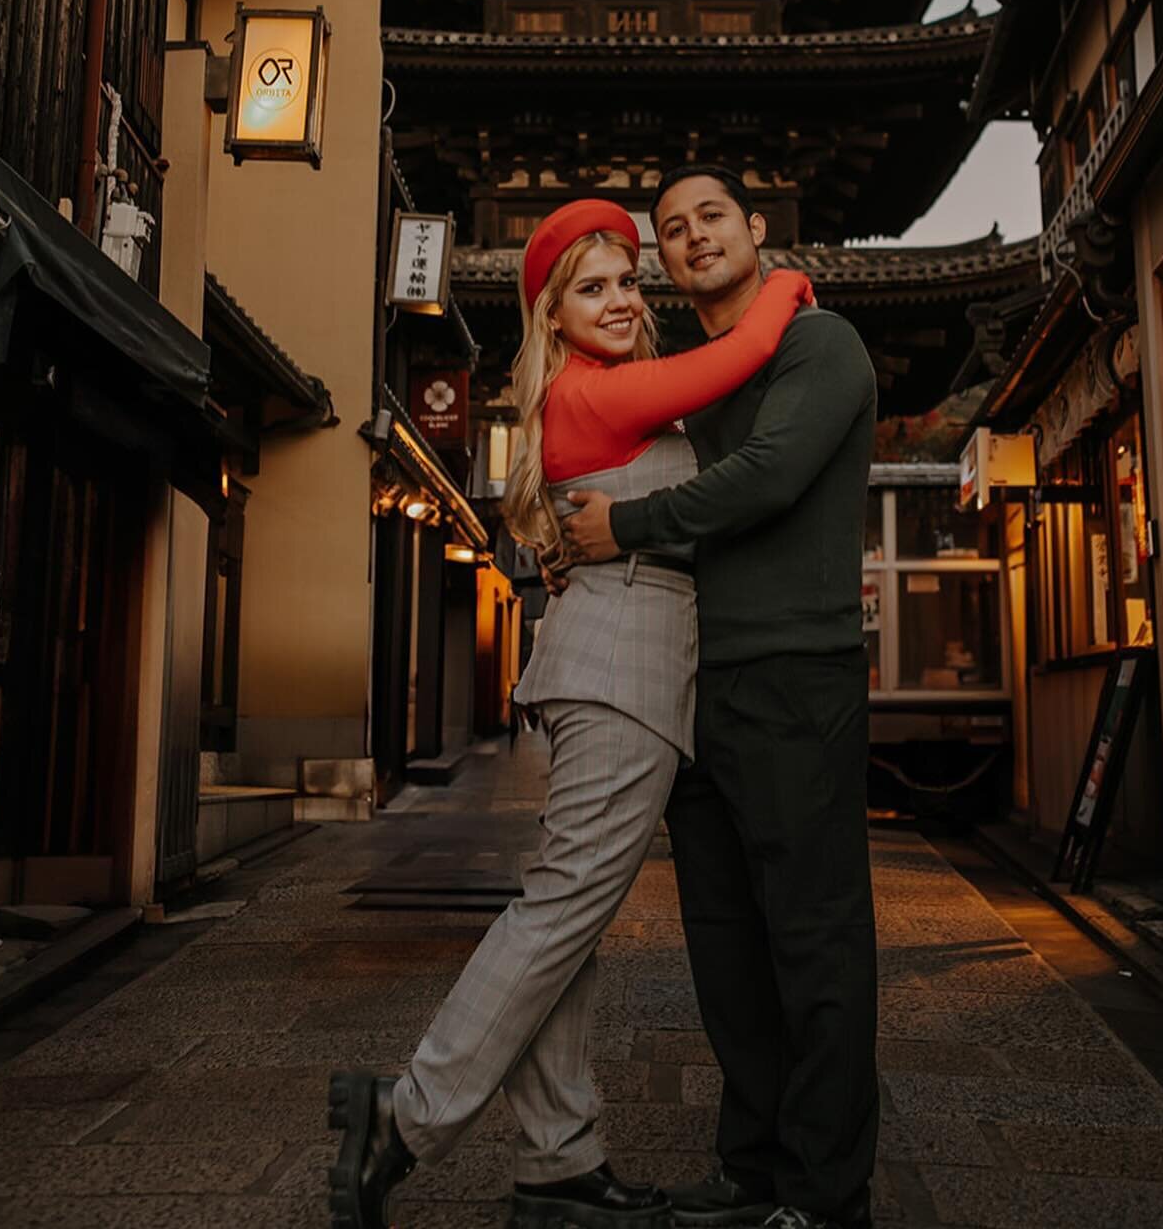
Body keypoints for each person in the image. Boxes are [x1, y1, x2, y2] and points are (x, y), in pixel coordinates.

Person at [329, 196, 815, 1229]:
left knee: (570, 918)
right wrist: (784, 286)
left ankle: (558, 1161)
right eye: (591, 289)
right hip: (622, 668)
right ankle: (407, 1117)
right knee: (560, 910)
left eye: (629, 282)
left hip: (625, 663)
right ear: (551, 317)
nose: (623, 300)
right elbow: (729, 362)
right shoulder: (595, 396)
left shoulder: (607, 394)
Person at [562, 166, 879, 1229]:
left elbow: (773, 473)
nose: (692, 237)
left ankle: (827, 1199)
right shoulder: (692, 374)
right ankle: (752, 1172)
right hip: (699, 683)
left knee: (816, 941)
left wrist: (627, 530)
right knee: (729, 951)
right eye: (670, 229)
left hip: (797, 675)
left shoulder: (816, 345)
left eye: (711, 217)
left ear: (755, 228)